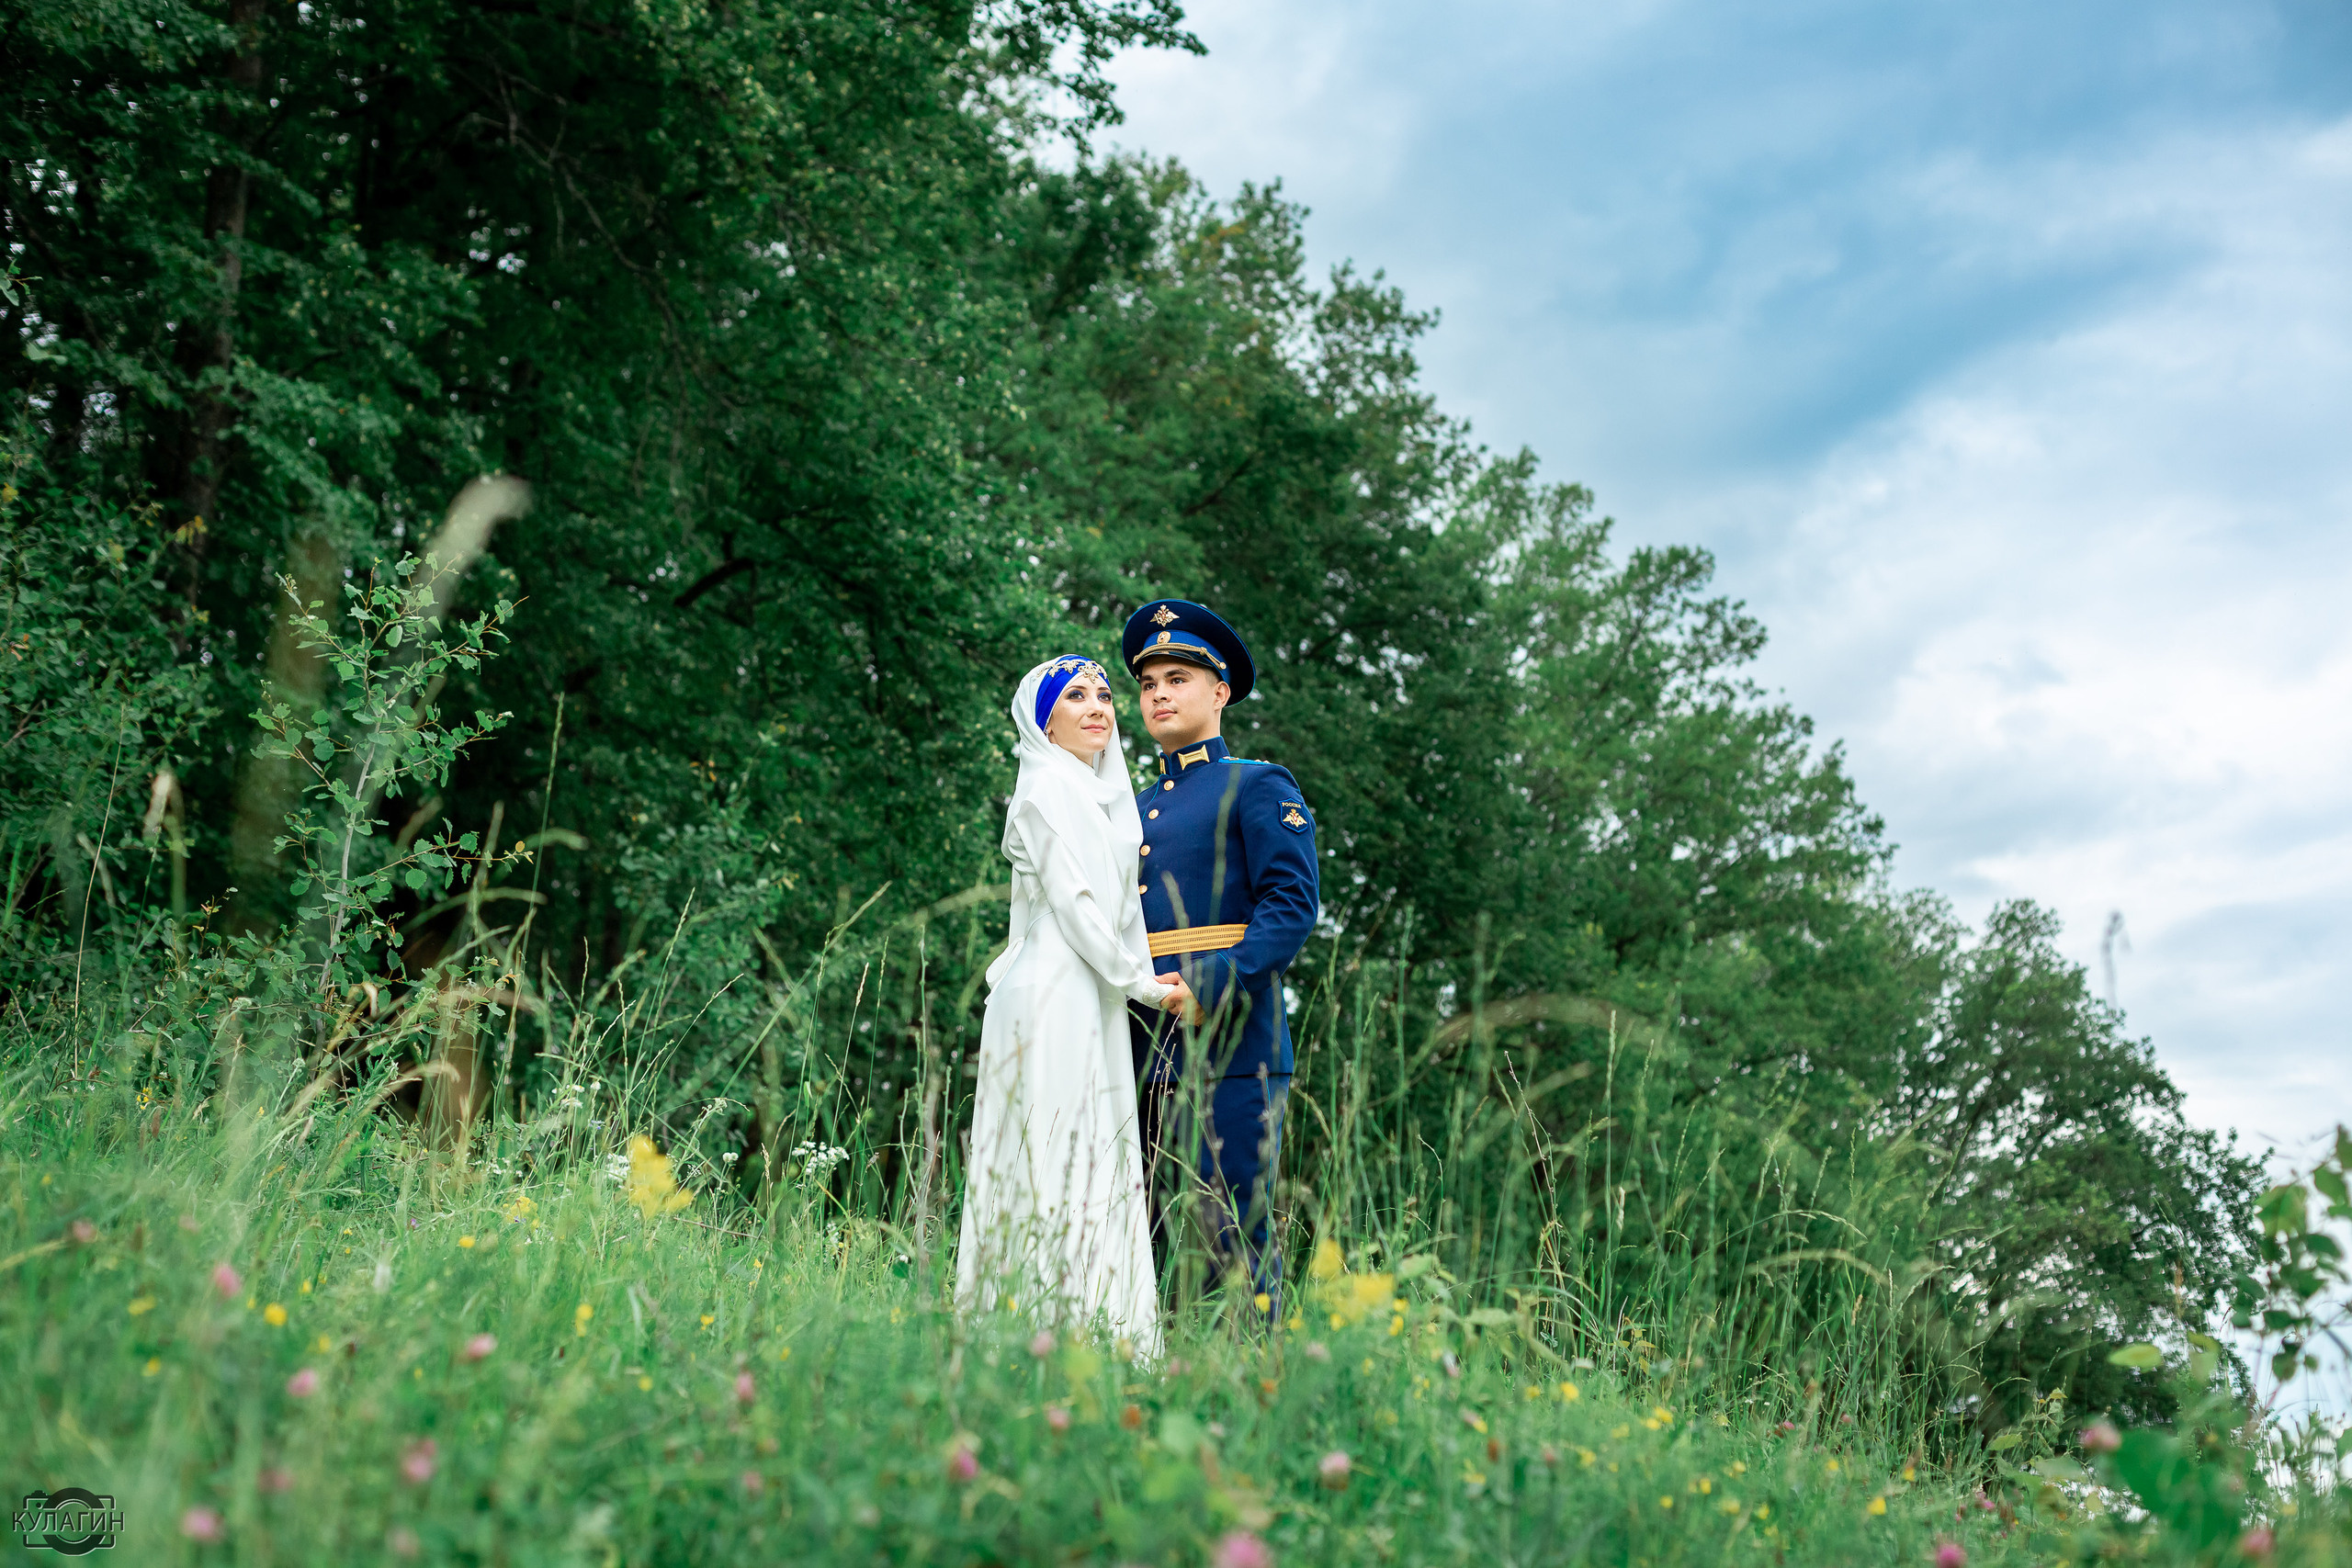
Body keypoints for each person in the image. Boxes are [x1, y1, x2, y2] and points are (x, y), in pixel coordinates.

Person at [956, 656, 1190, 1355]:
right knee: (1053, 1154)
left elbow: (1122, 918)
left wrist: (1143, 976)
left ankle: (1102, 1338)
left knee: (1097, 1155)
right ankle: (1028, 1335)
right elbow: (1078, 907)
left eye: (1105, 694)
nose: (1098, 706)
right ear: (1044, 718)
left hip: (1092, 991)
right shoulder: (1044, 789)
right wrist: (1146, 986)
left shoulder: (1099, 800)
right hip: (1052, 990)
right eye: (1076, 695)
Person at [1120, 600, 1320, 1314]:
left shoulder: (1258, 785)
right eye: (1148, 684)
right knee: (1136, 1241)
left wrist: (1212, 982)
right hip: (1135, 1043)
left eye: (1177, 677)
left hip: (1231, 1042)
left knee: (1225, 1237)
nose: (1161, 694)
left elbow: (1291, 905)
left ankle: (1244, 1400)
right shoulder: (1128, 806)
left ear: (1220, 691)